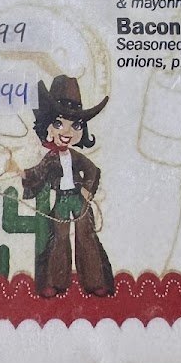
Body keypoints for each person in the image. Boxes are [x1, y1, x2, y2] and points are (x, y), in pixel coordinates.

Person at [22, 75, 115, 297]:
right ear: (48, 126)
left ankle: (95, 281)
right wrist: (22, 173)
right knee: (59, 237)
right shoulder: (51, 158)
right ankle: (55, 282)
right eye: (58, 124)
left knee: (86, 235)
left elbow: (93, 170)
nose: (67, 132)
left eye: (76, 125)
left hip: (78, 198)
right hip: (62, 199)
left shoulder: (75, 156)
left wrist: (88, 189)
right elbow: (37, 173)